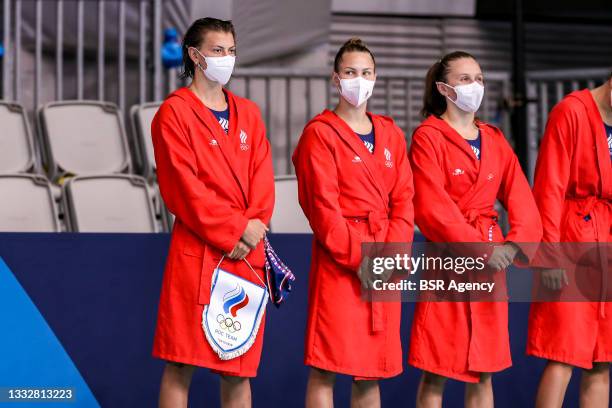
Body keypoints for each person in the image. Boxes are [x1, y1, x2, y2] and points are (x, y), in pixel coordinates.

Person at [150, 17, 274, 408]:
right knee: (180, 362)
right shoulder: (174, 113)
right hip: (198, 252)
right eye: (217, 50)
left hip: (245, 256)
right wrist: (237, 228)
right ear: (194, 55)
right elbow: (183, 189)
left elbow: (263, 178)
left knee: (238, 367)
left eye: (231, 51)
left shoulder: (249, 114)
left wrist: (253, 227)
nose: (226, 58)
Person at [407, 51, 543, 407]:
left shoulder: (495, 139)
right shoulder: (428, 137)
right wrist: (483, 250)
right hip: (449, 261)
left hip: (492, 262)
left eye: (479, 79)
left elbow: (521, 197)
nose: (475, 86)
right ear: (443, 88)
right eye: (465, 79)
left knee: (485, 368)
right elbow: (431, 206)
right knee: (437, 367)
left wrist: (513, 246)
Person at [292, 38, 415, 408]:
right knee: (327, 365)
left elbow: (405, 199)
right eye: (350, 73)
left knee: (370, 370)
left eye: (365, 73)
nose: (358, 80)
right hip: (342, 261)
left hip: (383, 258)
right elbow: (323, 208)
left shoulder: (391, 134)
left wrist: (390, 256)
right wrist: (361, 259)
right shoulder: (320, 134)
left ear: (375, 78)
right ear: (335, 79)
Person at [527, 71, 612, 408]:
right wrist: (549, 255)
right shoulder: (571, 111)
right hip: (571, 238)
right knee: (563, 354)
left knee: (602, 359)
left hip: (605, 239)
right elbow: (548, 188)